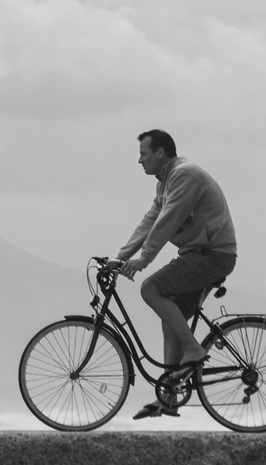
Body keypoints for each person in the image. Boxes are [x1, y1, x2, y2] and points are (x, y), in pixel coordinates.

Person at [108, 129, 237, 419]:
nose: (139, 160)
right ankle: (169, 397)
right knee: (171, 318)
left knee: (150, 289)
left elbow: (168, 221)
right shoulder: (164, 183)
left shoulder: (184, 176)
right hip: (199, 254)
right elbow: (150, 221)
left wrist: (143, 261)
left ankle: (193, 351)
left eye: (143, 154)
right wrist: (119, 258)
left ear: (160, 153)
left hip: (213, 255)